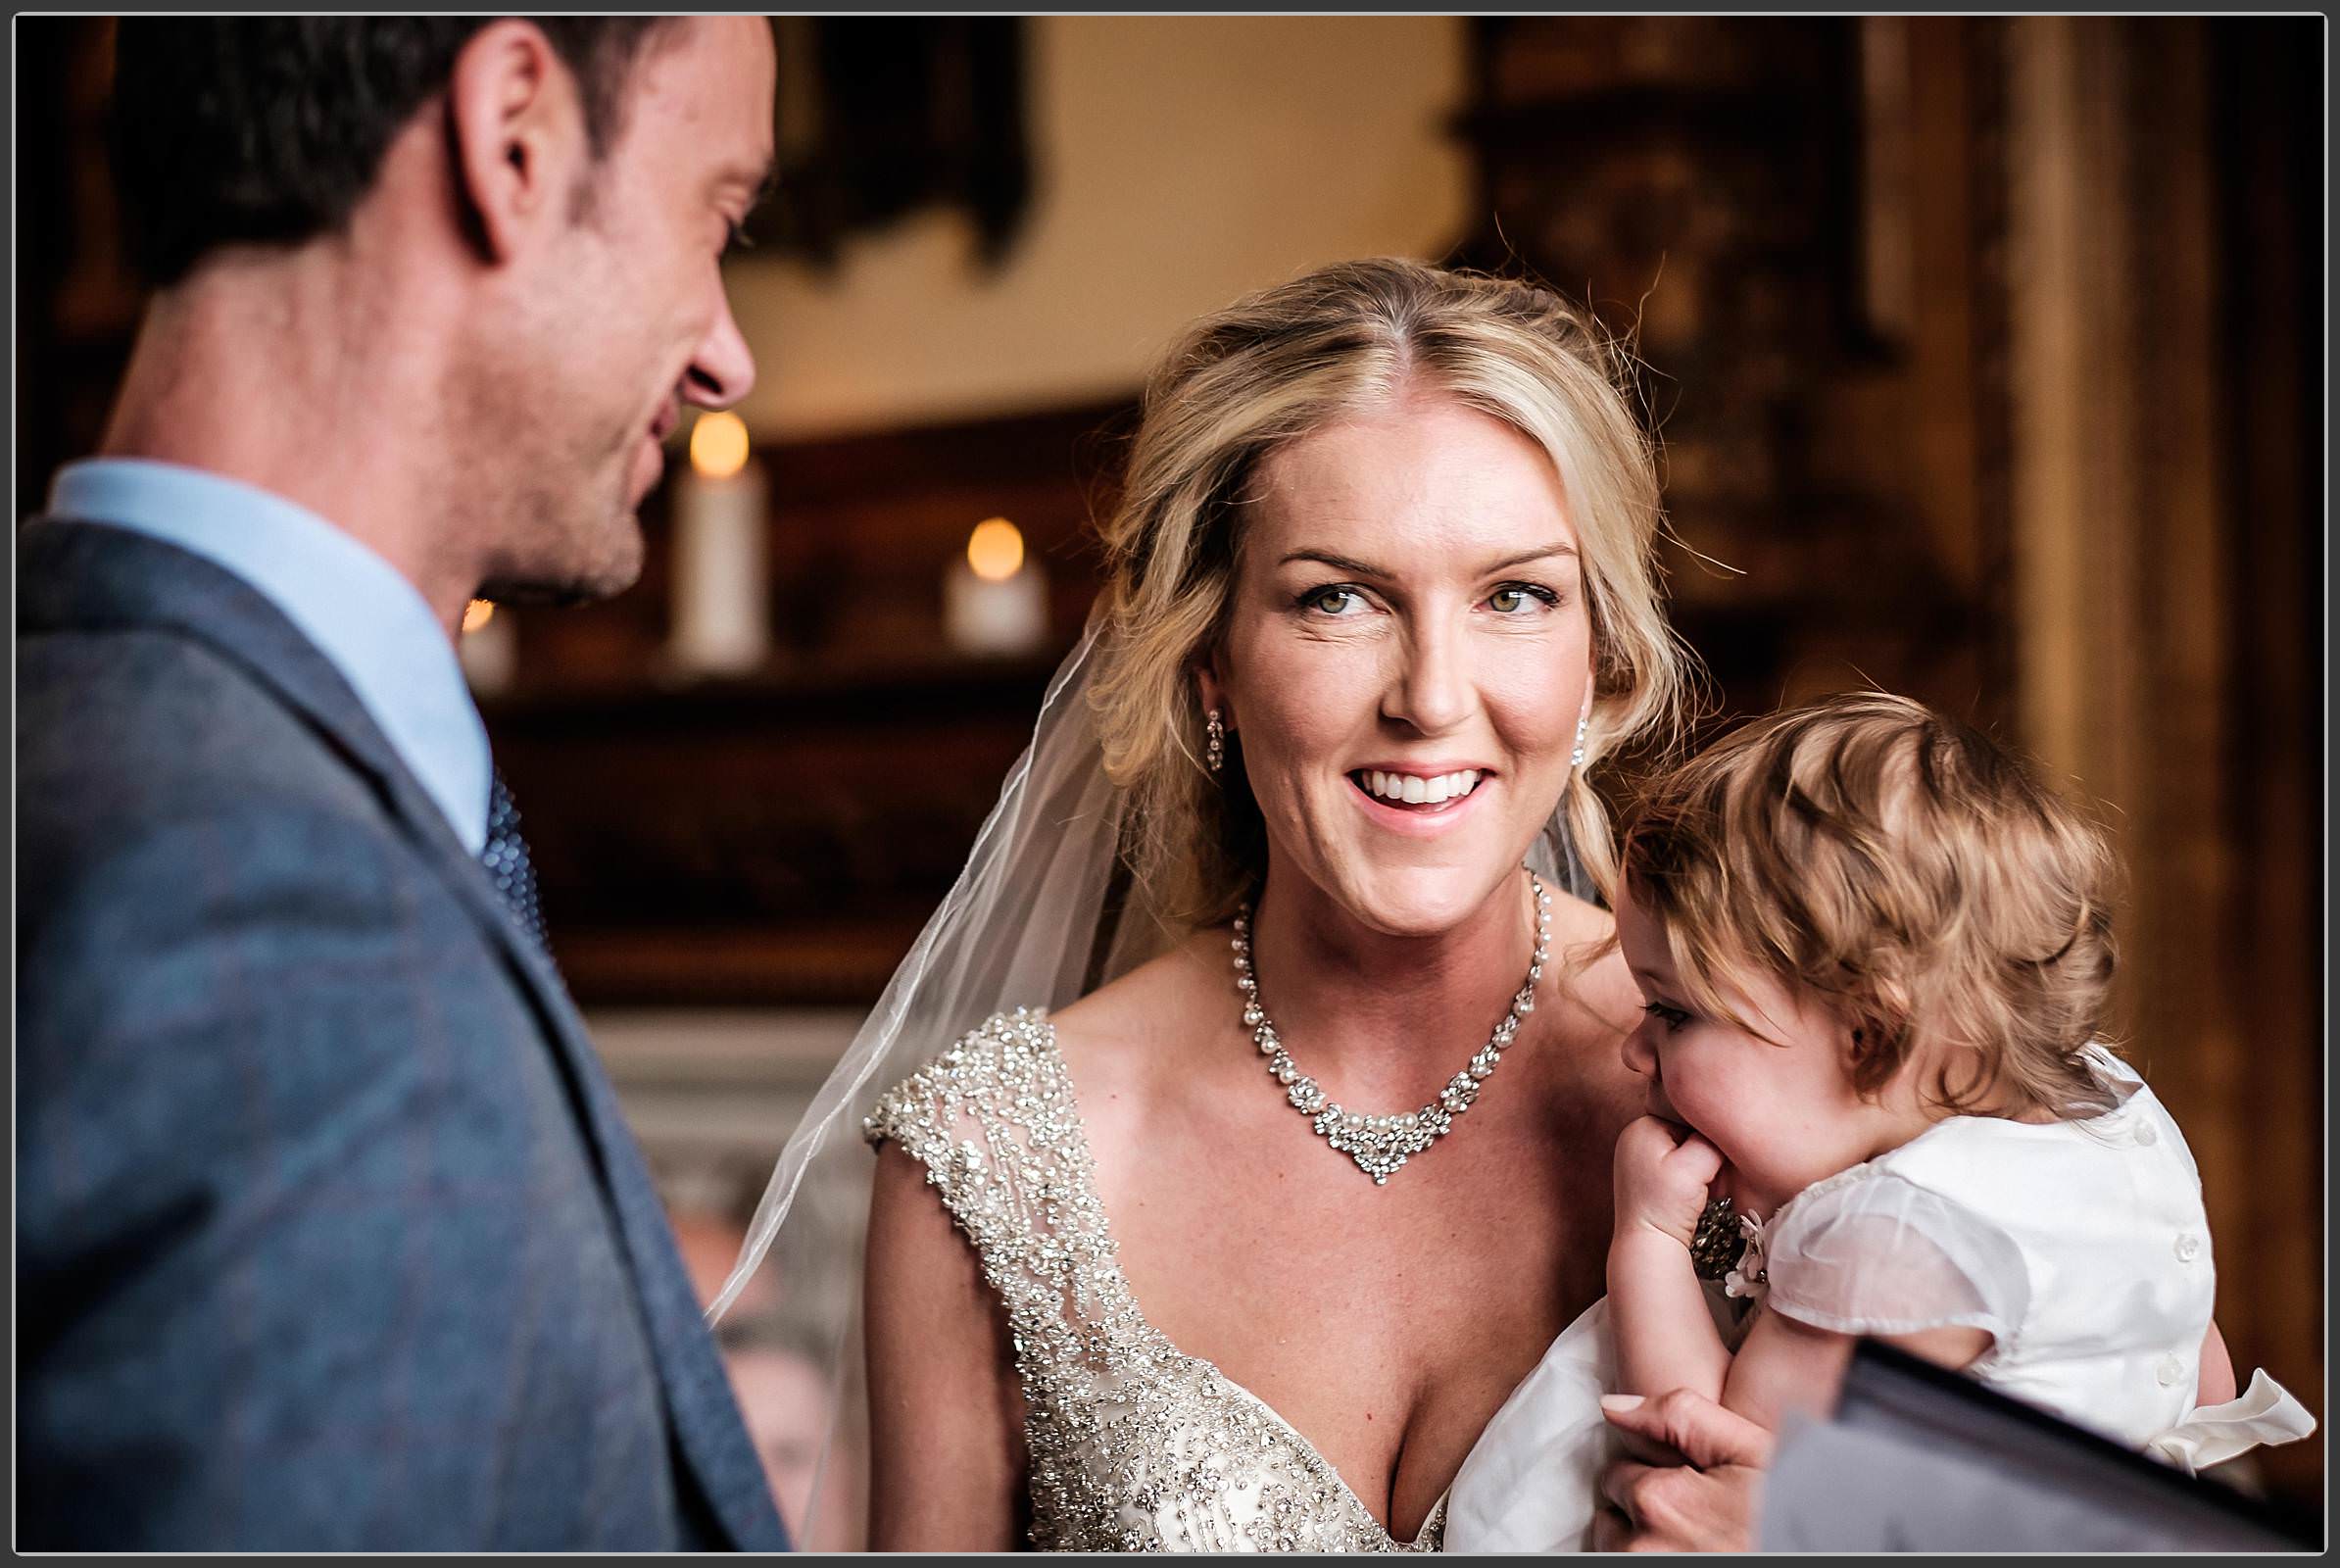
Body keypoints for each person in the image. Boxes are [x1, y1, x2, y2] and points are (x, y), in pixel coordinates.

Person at [714, 257, 1694, 1549]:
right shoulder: (997, 1161)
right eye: (1338, 598)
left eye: (1515, 596)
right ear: (1211, 665)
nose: (1434, 697)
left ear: (1601, 658)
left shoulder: (1761, 1083)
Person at [19, 19, 790, 1549]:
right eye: (714, 217)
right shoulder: (292, 942)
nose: (727, 353)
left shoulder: (79, 724)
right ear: (514, 136)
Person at [1462, 692, 2316, 1550]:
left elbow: (1710, 1464)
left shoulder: (1892, 1235)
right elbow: (2193, 1369)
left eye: (1676, 1014)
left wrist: (1646, 1240)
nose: (1634, 1051)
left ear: (1871, 1033)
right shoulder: (2112, 1114)